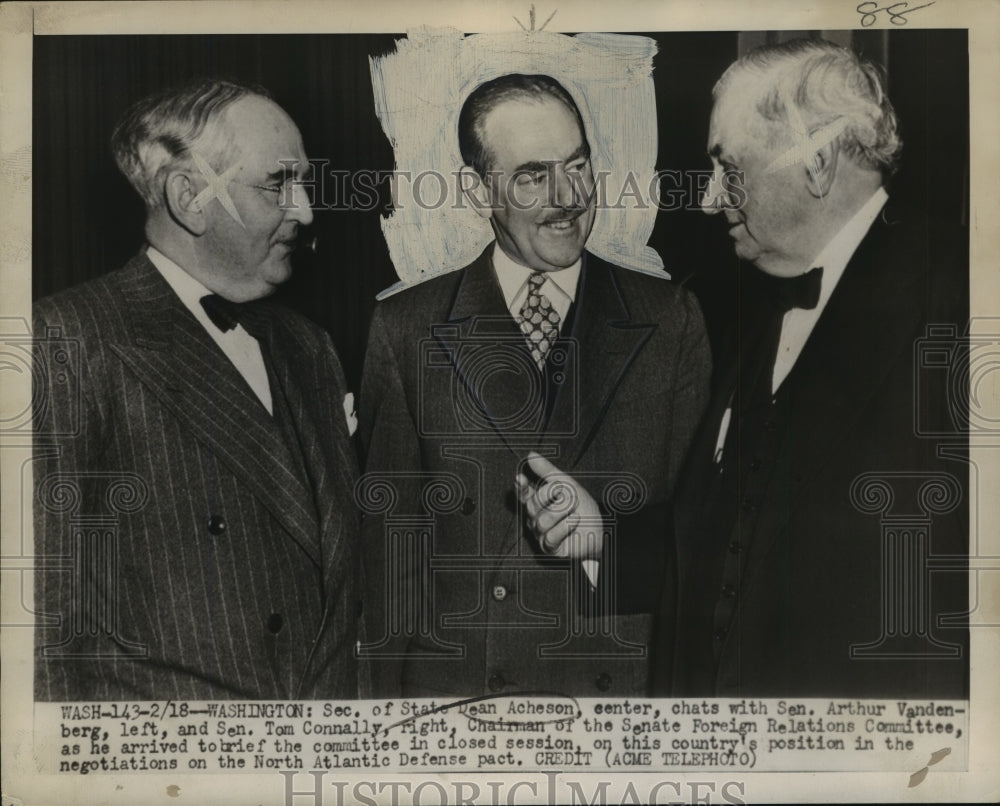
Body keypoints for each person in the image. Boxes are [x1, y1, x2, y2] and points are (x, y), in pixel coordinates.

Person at [358, 73, 710, 697]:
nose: (567, 196)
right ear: (477, 191)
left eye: (578, 166)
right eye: (531, 176)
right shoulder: (407, 330)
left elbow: (701, 545)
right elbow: (394, 566)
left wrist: (602, 542)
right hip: (463, 706)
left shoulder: (670, 320)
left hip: (619, 701)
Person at [33, 79, 363, 700]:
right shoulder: (64, 341)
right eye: (278, 185)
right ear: (190, 197)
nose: (307, 210)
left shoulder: (311, 348)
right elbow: (37, 631)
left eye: (305, 182)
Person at [658, 39, 968, 698]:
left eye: (729, 169)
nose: (711, 199)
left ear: (820, 161)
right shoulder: (749, 308)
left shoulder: (961, 300)